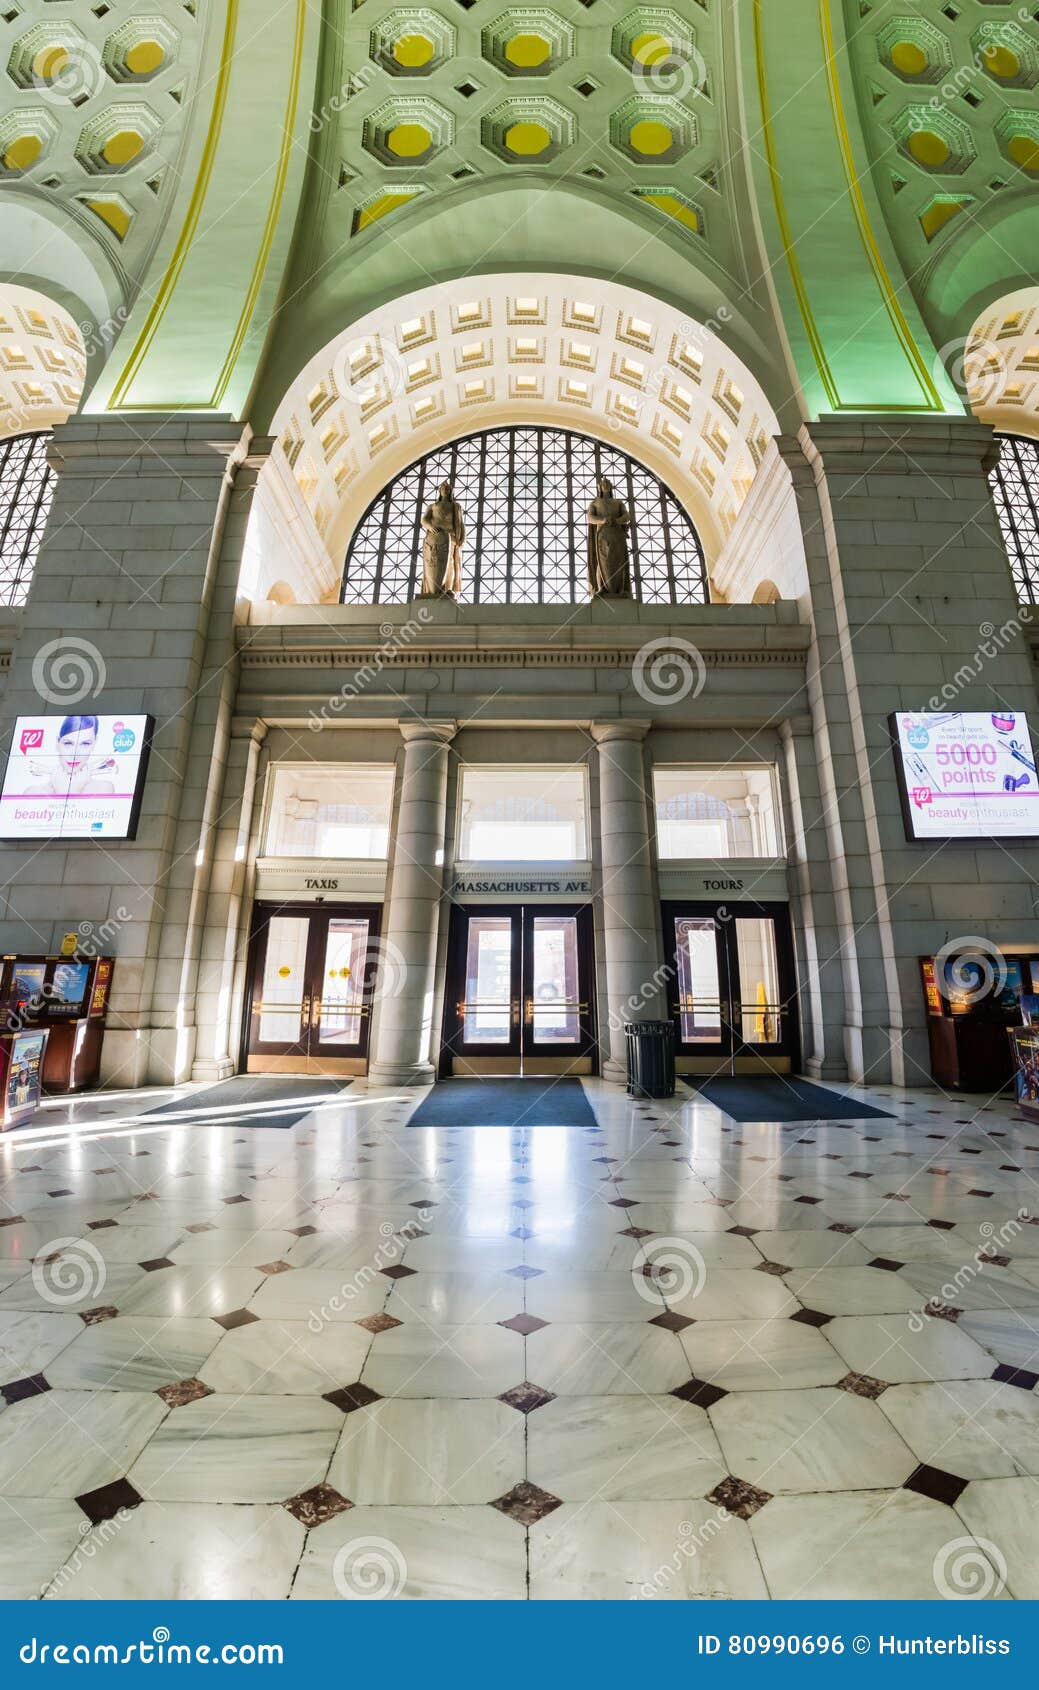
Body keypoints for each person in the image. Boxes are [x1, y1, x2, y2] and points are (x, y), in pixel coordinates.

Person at [25, 715, 116, 795]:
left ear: (94, 743)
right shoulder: (33, 792)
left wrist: (71, 792)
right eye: (68, 743)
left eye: (85, 744)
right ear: (57, 743)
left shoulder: (103, 789)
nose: (75, 755)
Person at [586, 475, 632, 597]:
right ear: (599, 487)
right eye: (603, 483)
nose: (605, 484)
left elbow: (627, 516)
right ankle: (602, 588)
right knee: (602, 561)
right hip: (603, 535)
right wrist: (603, 520)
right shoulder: (595, 503)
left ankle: (621, 589)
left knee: (620, 561)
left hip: (617, 535)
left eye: (607, 483)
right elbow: (590, 518)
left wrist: (617, 521)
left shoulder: (618, 502)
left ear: (611, 487)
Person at [419, 481, 465, 597]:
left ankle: (447, 588)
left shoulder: (455, 506)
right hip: (435, 537)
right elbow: (424, 520)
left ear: (451, 492)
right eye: (443, 488)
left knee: (450, 563)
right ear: (439, 491)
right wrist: (430, 526)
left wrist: (461, 538)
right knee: (434, 562)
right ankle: (433, 589)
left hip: (451, 537)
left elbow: (460, 523)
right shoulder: (432, 506)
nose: (445, 490)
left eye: (448, 489)